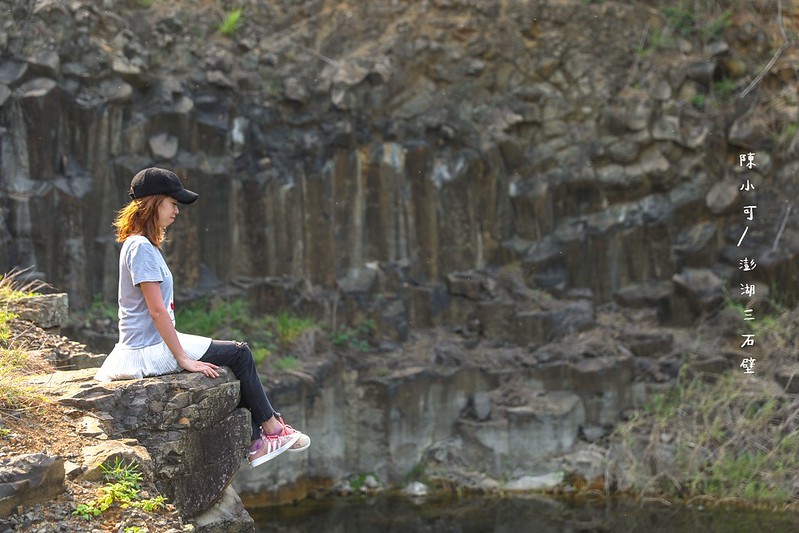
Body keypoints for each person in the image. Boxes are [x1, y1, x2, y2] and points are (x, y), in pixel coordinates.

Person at [95, 167, 310, 468]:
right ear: (154, 203)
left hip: (149, 342)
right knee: (239, 353)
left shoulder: (142, 244)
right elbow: (156, 310)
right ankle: (272, 431)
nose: (176, 211)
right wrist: (182, 357)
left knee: (233, 357)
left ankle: (259, 439)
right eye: (172, 203)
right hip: (146, 350)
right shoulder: (141, 248)